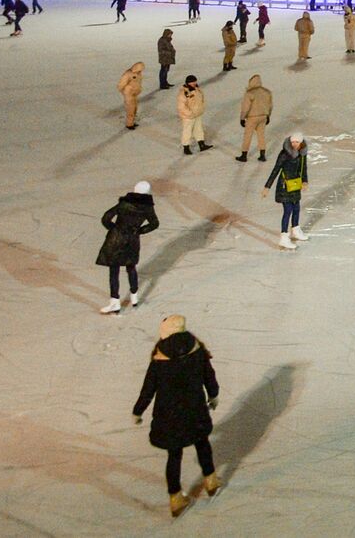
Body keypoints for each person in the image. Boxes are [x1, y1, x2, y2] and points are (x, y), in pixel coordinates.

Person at [132, 315, 222, 517]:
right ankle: (211, 481)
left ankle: (175, 498)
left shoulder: (159, 357)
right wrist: (213, 395)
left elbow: (148, 390)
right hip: (195, 410)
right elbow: (209, 376)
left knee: (174, 454)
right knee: (202, 444)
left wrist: (138, 411)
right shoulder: (196, 349)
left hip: (169, 416)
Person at [96, 181, 159, 314]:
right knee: (131, 267)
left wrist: (114, 230)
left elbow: (106, 218)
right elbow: (154, 224)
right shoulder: (147, 208)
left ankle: (115, 302)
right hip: (132, 240)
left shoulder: (124, 204)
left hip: (116, 240)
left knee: (114, 270)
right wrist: (139, 231)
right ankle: (134, 296)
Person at [263, 134, 309, 249]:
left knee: (297, 208)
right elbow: (276, 169)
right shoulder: (284, 154)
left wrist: (305, 181)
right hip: (284, 185)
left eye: (297, 142)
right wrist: (267, 187)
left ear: (301, 143)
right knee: (288, 210)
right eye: (293, 142)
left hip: (295, 185)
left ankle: (296, 230)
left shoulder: (302, 154)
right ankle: (284, 237)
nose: (294, 144)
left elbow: (303, 168)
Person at [236, 74, 272, 163]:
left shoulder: (249, 93)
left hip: (252, 117)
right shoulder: (267, 92)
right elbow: (270, 106)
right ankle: (262, 155)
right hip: (263, 116)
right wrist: (268, 116)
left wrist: (242, 118)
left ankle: (244, 155)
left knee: (248, 135)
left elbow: (245, 107)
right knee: (261, 135)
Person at [176, 76, 211, 155]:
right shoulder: (183, 93)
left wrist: (201, 109)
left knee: (199, 130)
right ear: (188, 83)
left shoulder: (197, 89)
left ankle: (201, 144)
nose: (194, 83)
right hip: (189, 116)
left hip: (197, 114)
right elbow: (181, 107)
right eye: (192, 82)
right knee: (187, 131)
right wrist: (190, 114)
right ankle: (186, 147)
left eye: (195, 81)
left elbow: (201, 99)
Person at [117, 62, 145, 130]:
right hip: (129, 95)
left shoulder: (138, 73)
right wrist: (125, 92)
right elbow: (121, 85)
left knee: (135, 109)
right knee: (130, 109)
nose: (141, 71)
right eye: (140, 69)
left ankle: (132, 121)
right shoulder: (128, 74)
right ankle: (129, 124)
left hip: (134, 94)